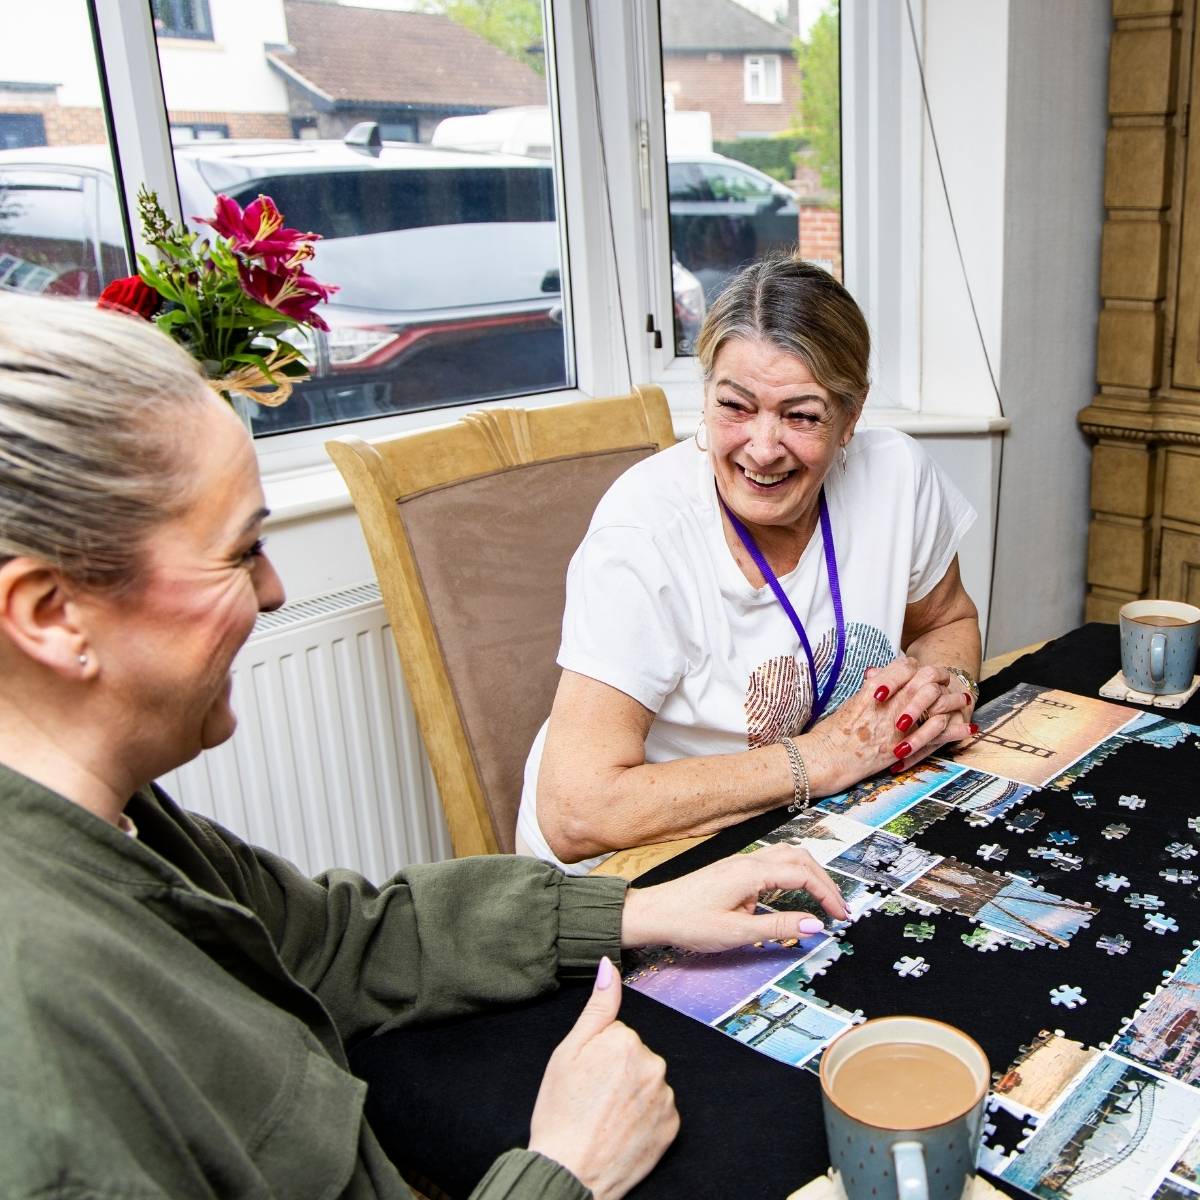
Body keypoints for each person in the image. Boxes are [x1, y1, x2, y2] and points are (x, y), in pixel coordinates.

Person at [0, 294, 850, 1200]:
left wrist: (641, 910)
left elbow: (340, 938)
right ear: (52, 616)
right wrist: (566, 1170)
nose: (277, 588)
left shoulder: (128, 815)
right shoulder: (39, 1026)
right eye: (241, 551)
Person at [518, 256, 983, 874]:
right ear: (704, 394)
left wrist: (944, 696)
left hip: (807, 819)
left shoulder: (897, 474)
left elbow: (945, 620)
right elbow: (577, 810)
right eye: (735, 406)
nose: (763, 450)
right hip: (636, 862)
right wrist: (821, 760)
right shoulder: (641, 533)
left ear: (852, 415)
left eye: (802, 415)